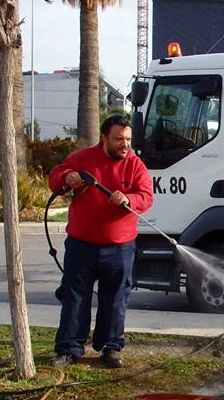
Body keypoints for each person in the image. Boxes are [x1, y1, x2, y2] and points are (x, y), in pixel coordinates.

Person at [47, 114, 153, 368]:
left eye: (128, 139)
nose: (124, 144)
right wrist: (67, 177)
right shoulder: (82, 158)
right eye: (118, 139)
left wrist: (128, 199)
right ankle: (69, 348)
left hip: (120, 247)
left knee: (115, 298)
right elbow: (55, 176)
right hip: (81, 245)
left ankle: (110, 347)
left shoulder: (135, 165)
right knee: (75, 296)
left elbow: (146, 196)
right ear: (104, 138)